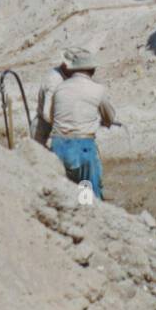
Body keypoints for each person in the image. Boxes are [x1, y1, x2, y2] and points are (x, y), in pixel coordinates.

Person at [47, 48, 115, 200]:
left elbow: (51, 117)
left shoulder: (60, 88)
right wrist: (104, 122)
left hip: (57, 146)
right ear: (92, 70)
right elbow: (109, 118)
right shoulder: (97, 89)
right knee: (88, 197)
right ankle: (88, 219)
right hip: (83, 149)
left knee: (62, 195)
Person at [33, 48, 77, 145]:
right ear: (66, 65)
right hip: (44, 124)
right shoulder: (54, 81)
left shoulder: (69, 76)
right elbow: (47, 114)